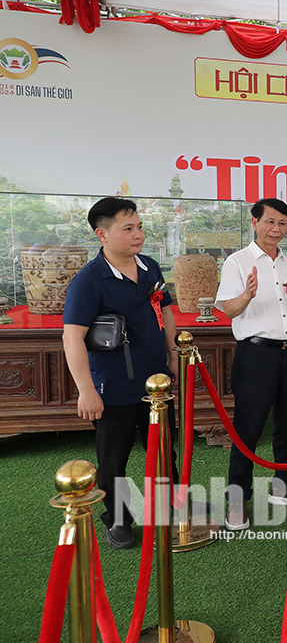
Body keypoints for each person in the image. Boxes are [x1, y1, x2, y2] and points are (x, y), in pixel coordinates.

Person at [63, 197, 180, 549]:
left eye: (139, 227)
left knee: (163, 451)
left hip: (156, 382)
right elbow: (72, 337)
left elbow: (167, 310)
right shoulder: (89, 281)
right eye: (127, 229)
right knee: (113, 458)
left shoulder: (150, 267)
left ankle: (168, 510)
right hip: (111, 386)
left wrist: (173, 355)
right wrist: (86, 390)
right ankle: (118, 519)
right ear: (102, 234)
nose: (138, 234)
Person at [215, 198, 287, 531]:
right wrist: (246, 295)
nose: (277, 230)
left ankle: (285, 483)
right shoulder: (237, 262)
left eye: (283, 224)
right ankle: (237, 499)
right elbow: (228, 310)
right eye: (271, 222)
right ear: (255, 221)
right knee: (248, 426)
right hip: (256, 353)